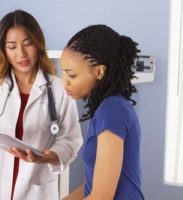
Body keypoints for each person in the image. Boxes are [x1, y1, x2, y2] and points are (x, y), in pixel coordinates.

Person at [0, 10, 82, 200]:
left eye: (27, 43)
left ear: (38, 44)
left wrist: (46, 157)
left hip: (36, 191)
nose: (21, 54)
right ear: (3, 49)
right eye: (12, 46)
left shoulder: (58, 88)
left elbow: (71, 140)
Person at [60, 25, 144, 200]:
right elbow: (88, 189)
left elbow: (101, 197)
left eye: (72, 75)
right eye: (63, 74)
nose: (65, 82)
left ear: (99, 72)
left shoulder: (112, 110)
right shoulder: (106, 108)